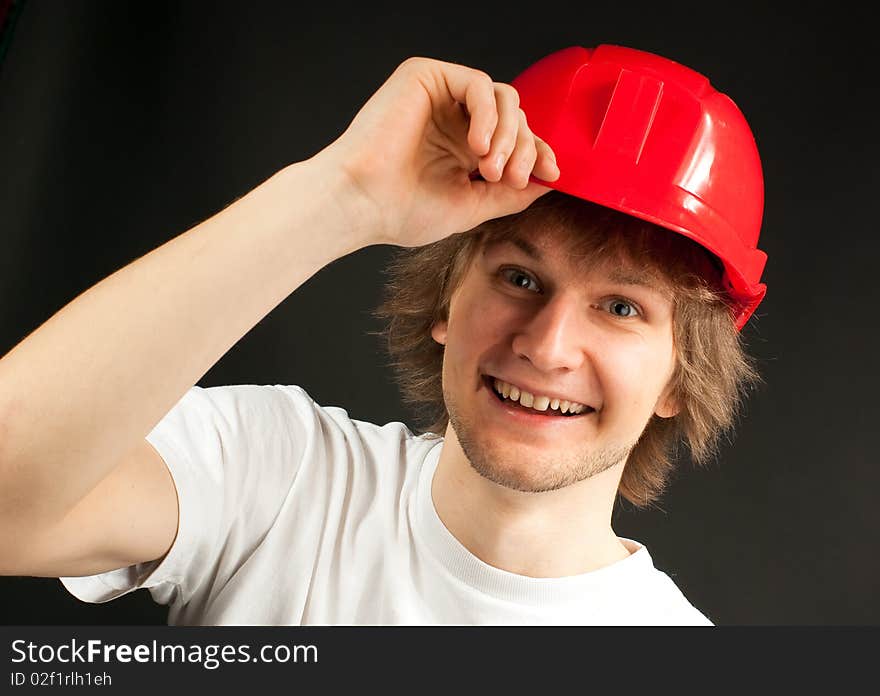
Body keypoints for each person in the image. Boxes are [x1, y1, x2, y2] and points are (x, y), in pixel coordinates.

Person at [0, 44, 766, 625]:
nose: (547, 346)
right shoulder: (281, 477)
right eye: (519, 279)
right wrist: (344, 194)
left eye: (623, 308)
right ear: (444, 303)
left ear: (677, 378)